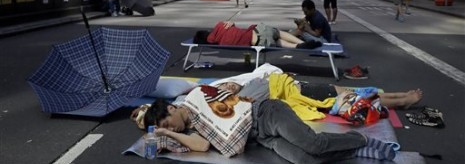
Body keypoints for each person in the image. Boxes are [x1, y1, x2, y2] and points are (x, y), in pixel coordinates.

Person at [142, 94, 397, 163]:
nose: (169, 127)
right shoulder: (192, 131)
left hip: (266, 114)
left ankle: (359, 140)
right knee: (304, 160)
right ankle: (352, 152)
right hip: (262, 138)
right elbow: (203, 145)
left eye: (167, 123)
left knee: (313, 144)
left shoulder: (195, 99)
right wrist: (165, 133)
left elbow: (229, 92)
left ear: (173, 109)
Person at [217, 78, 423, 110]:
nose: (229, 85)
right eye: (225, 87)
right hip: (309, 94)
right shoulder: (245, 97)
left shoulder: (249, 83)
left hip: (306, 86)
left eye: (228, 82)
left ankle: (400, 96)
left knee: (358, 92)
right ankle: (404, 100)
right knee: (360, 98)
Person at [193, 21, 321, 49]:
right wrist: (231, 23)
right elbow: (231, 25)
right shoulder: (220, 26)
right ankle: (300, 43)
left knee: (275, 42)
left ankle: (296, 47)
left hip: (261, 43)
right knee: (278, 32)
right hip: (260, 33)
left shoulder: (220, 44)